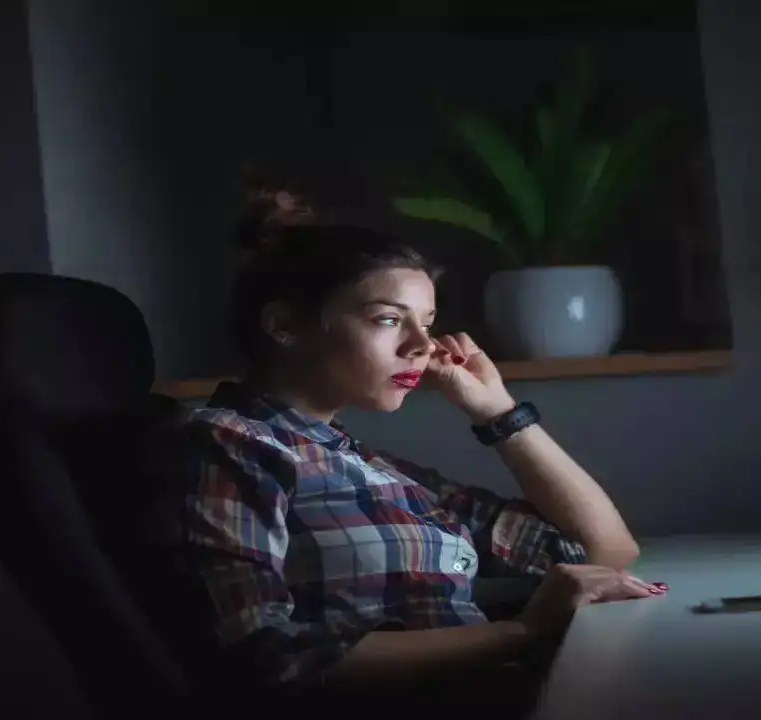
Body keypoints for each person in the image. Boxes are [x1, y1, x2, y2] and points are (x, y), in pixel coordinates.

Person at [146, 185, 662, 709]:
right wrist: (523, 633)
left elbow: (603, 550)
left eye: (428, 323)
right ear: (283, 326)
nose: (423, 345)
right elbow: (263, 655)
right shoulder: (228, 445)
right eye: (389, 319)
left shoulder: (368, 468)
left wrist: (499, 413)